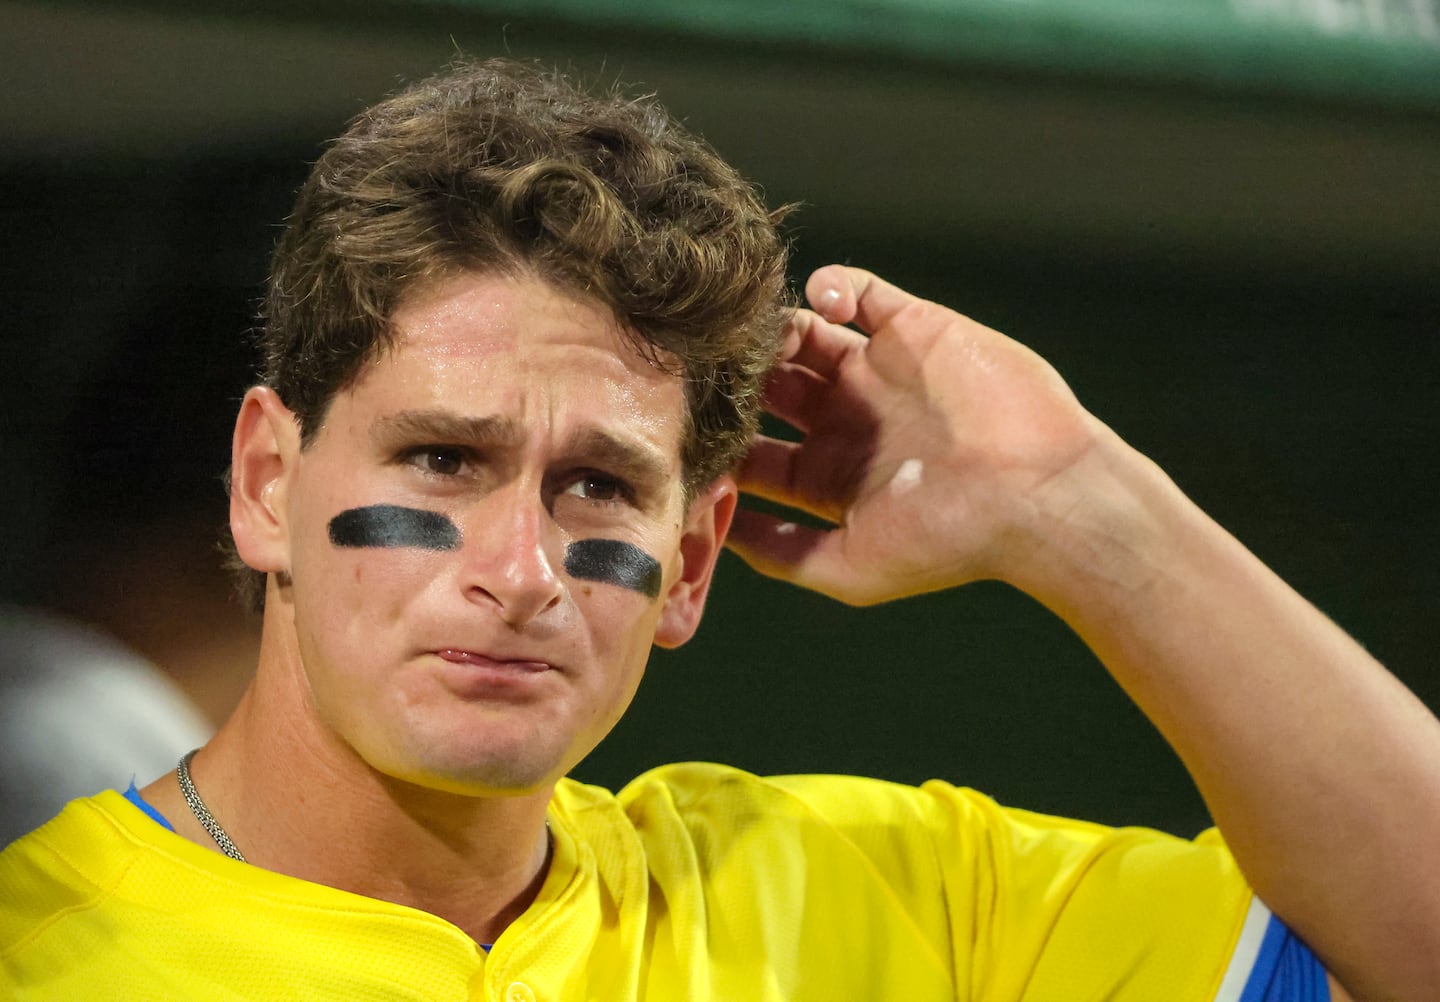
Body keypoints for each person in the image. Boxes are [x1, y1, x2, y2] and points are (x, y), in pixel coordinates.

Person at [1, 58, 1436, 1001]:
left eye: (599, 486)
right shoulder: (39, 952)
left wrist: (1086, 511)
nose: (520, 573)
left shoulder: (878, 903)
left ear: (691, 561)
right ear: (267, 483)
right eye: (442, 459)